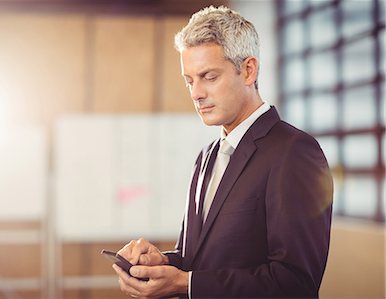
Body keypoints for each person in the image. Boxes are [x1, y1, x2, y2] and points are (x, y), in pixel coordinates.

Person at [112, 5, 333, 298]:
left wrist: (184, 284)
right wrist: (163, 263)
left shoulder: (294, 151)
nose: (195, 93)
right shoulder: (205, 157)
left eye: (209, 77)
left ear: (248, 70)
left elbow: (294, 283)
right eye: (189, 80)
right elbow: (199, 260)